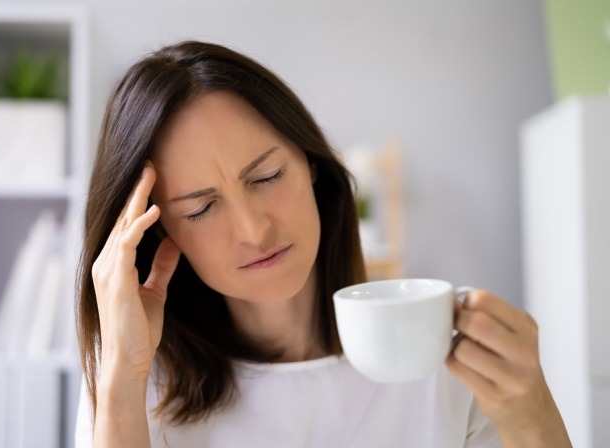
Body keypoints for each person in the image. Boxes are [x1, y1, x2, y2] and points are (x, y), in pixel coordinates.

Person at [74, 40, 571, 447]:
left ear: (311, 163)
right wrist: (122, 377)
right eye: (200, 209)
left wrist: (531, 414)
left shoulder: (443, 358)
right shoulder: (135, 378)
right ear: (157, 231)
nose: (254, 231)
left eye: (266, 176)